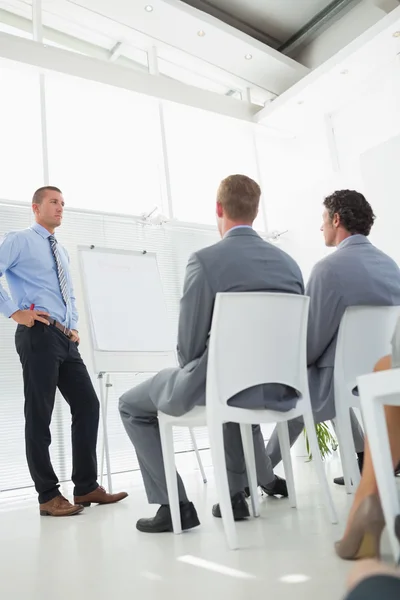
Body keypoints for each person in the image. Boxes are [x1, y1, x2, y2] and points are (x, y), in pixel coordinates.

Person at [119, 174, 304, 533]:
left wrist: (194, 367)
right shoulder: (289, 265)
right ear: (256, 210)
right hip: (279, 388)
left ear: (219, 209)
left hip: (225, 385)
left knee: (131, 405)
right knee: (228, 380)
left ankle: (175, 506)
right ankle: (237, 493)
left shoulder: (205, 260)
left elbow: (188, 348)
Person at [0, 186, 127, 516]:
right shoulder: (19, 240)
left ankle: (85, 487)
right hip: (37, 335)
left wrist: (72, 325)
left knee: (88, 404)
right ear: (36, 207)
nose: (60, 208)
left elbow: (65, 293)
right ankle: (47, 496)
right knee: (39, 414)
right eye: (53, 202)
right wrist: (14, 311)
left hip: (62, 338)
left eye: (63, 204)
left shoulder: (62, 252)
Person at [265, 190, 400, 485]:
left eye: (324, 219)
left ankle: (260, 472)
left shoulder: (328, 269)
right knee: (333, 380)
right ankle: (365, 458)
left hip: (342, 378)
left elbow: (311, 341)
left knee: (301, 385)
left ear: (336, 219)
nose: (321, 226)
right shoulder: (391, 267)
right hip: (384, 375)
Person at [335, 318, 400, 560]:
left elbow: (314, 341)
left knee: (387, 370)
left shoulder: (328, 278)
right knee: (388, 368)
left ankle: (365, 503)